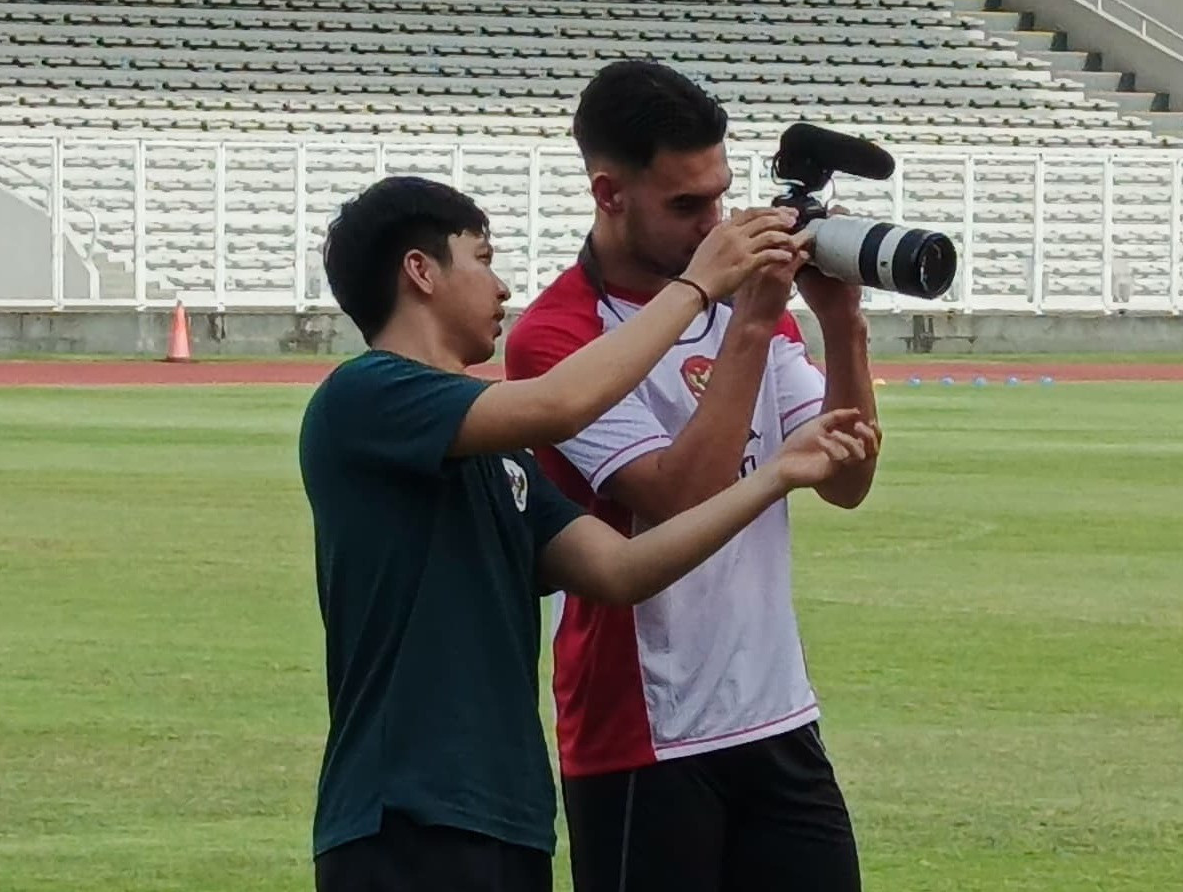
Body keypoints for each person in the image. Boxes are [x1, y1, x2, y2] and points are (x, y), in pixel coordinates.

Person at [297, 175, 880, 892]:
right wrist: (698, 287)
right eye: (481, 259)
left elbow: (621, 570)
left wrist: (776, 476)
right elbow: (560, 402)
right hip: (405, 816)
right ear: (420, 271)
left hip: (508, 816)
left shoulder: (497, 451)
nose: (502, 285)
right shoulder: (366, 395)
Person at [504, 58, 883, 892]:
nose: (714, 223)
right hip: (646, 728)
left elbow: (845, 481)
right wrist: (747, 324)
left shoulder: (750, 308)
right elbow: (679, 498)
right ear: (609, 194)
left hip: (775, 710)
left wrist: (841, 324)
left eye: (718, 195)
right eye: (686, 205)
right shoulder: (558, 335)